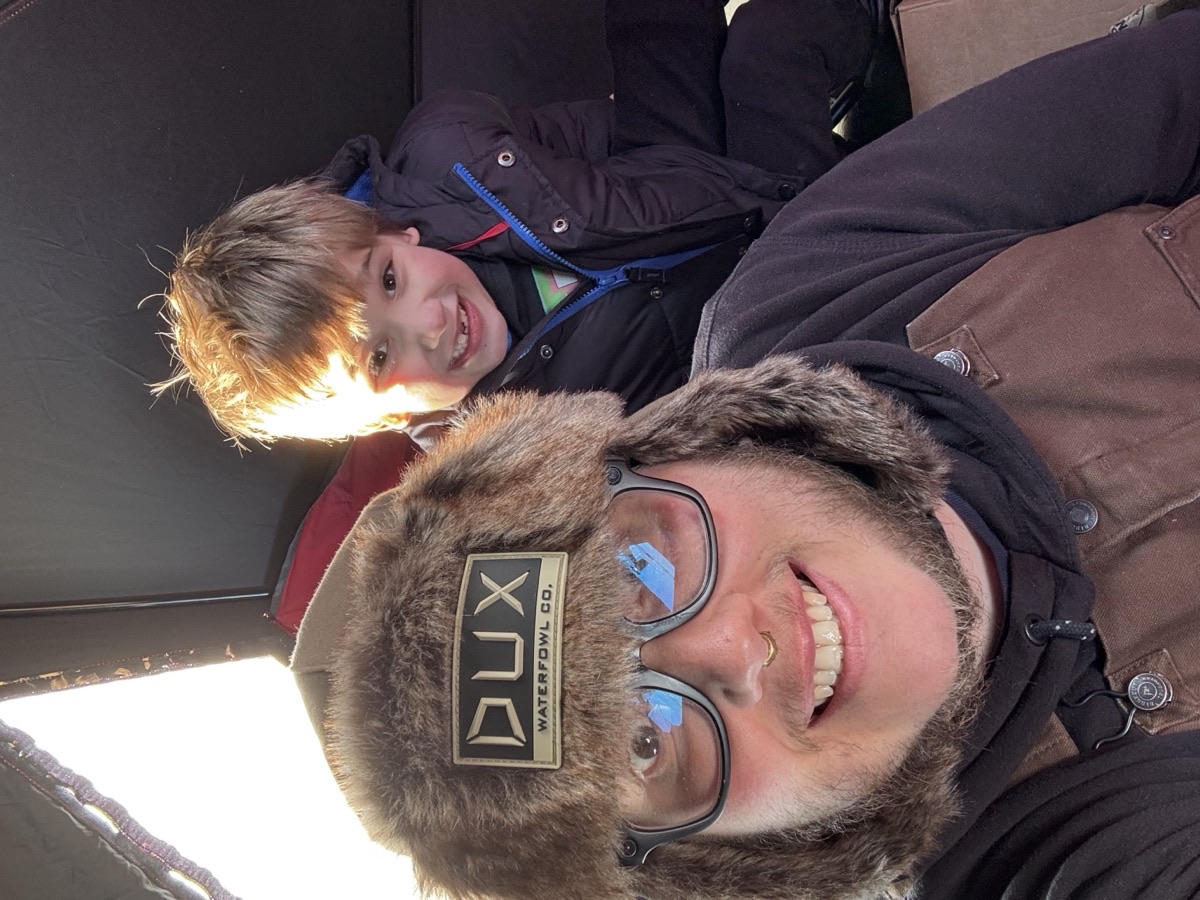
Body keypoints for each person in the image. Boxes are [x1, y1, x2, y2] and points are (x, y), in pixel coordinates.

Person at [292, 11, 1200, 900]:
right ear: (709, 862)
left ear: (670, 448)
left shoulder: (812, 287)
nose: (733, 646)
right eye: (643, 741)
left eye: (633, 567)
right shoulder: (1062, 863)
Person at [154, 0, 877, 443]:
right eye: (377, 358)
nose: (430, 322)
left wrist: (672, 159)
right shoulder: (519, 440)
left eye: (390, 280)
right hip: (786, 267)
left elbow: (583, 135)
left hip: (676, 183)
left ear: (395, 232)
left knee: (655, 20)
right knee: (768, 44)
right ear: (376, 422)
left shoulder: (456, 156)